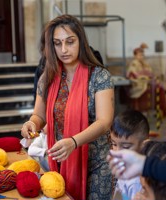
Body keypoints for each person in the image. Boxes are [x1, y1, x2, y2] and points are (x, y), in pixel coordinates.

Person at [21, 14, 114, 200]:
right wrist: (31, 124)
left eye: (70, 42)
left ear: (81, 41)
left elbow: (104, 122)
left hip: (98, 163)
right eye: (57, 43)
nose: (63, 49)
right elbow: (39, 116)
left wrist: (74, 141)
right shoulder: (47, 78)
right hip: (63, 159)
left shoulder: (99, 77)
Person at [110, 110, 149, 200]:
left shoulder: (137, 181)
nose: (117, 152)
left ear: (143, 145)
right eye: (114, 144)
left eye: (126, 147)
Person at [126, 43, 166, 114]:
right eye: (139, 55)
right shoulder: (134, 64)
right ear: (135, 55)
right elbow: (133, 75)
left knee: (160, 88)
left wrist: (153, 78)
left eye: (142, 55)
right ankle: (143, 111)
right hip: (139, 85)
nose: (141, 56)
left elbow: (150, 73)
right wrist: (145, 77)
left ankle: (160, 110)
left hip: (147, 83)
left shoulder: (144, 64)